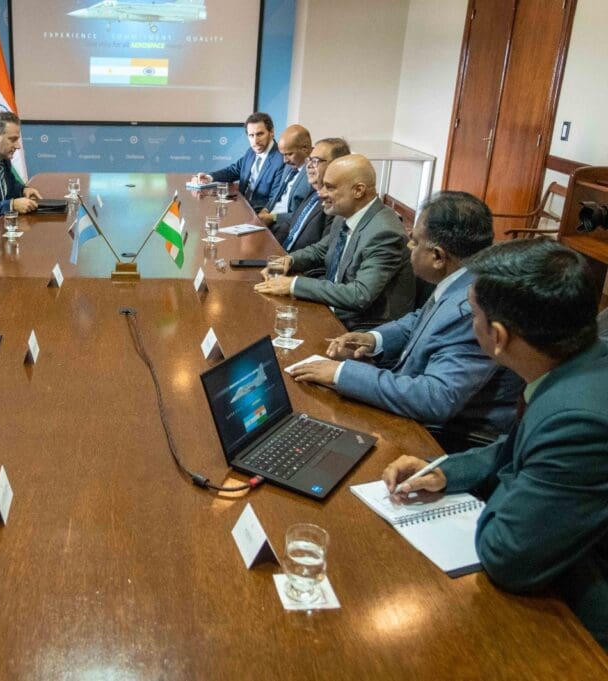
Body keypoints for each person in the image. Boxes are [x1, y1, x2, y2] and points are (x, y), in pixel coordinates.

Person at [382, 239, 608, 651]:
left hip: (578, 623)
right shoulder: (586, 360)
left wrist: (507, 480)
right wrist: (447, 470)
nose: (470, 324)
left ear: (499, 336)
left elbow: (507, 555)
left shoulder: (577, 423)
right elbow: (519, 445)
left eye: (474, 315)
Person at [289, 191, 522, 444]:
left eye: (415, 241)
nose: (409, 247)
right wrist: (374, 339)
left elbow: (436, 399)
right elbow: (421, 319)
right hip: (412, 397)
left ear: (438, 256)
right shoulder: (463, 278)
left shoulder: (471, 307)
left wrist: (341, 374)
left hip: (443, 435)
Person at [254, 154, 414, 331]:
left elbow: (359, 295)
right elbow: (321, 250)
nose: (321, 193)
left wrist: (293, 285)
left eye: (329, 187)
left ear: (358, 191)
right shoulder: (345, 213)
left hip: (361, 328)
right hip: (332, 309)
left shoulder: (385, 233)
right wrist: (288, 260)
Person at [190, 112, 285, 212]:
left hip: (257, 213)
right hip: (241, 206)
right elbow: (233, 171)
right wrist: (209, 178)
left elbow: (273, 201)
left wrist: (239, 207)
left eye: (260, 134)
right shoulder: (251, 152)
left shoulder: (281, 160)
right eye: (251, 135)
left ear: (271, 132)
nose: (255, 141)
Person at [274, 137, 350, 254]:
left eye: (315, 161)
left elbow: (323, 253)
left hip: (297, 262)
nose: (309, 165)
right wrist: (273, 246)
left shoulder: (336, 205)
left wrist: (286, 260)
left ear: (336, 165)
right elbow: (290, 224)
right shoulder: (314, 191)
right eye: (309, 160)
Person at [0, 111, 43, 226]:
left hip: (5, 224)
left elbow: (10, 184)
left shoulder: (2, 155)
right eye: (12, 139)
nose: (18, 146)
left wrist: (23, 190)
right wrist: (11, 205)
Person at [259, 125, 313, 230]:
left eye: (289, 154)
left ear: (305, 148)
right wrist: (265, 210)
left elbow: (306, 215)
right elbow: (277, 195)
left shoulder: (314, 174)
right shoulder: (290, 165)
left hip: (285, 226)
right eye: (283, 154)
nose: (285, 160)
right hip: (269, 219)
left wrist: (273, 218)